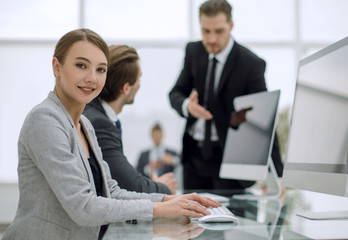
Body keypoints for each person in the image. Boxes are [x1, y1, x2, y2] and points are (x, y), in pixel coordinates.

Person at [2, 29, 221, 240]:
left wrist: (171, 200)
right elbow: (84, 207)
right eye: (81, 65)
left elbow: (111, 191)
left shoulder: (85, 124)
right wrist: (160, 208)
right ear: (56, 67)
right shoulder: (45, 120)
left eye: (101, 69)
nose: (92, 78)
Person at [169, 0, 283, 190]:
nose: (212, 39)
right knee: (191, 218)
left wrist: (277, 173)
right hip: (193, 158)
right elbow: (175, 93)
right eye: (206, 31)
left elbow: (265, 117)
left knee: (231, 218)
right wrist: (187, 106)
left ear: (231, 26)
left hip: (229, 161)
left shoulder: (251, 64)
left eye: (219, 31)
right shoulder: (193, 51)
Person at [83, 45, 177, 194]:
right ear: (126, 88)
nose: (140, 84)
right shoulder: (99, 124)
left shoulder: (93, 113)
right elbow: (128, 185)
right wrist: (162, 186)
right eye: (139, 79)